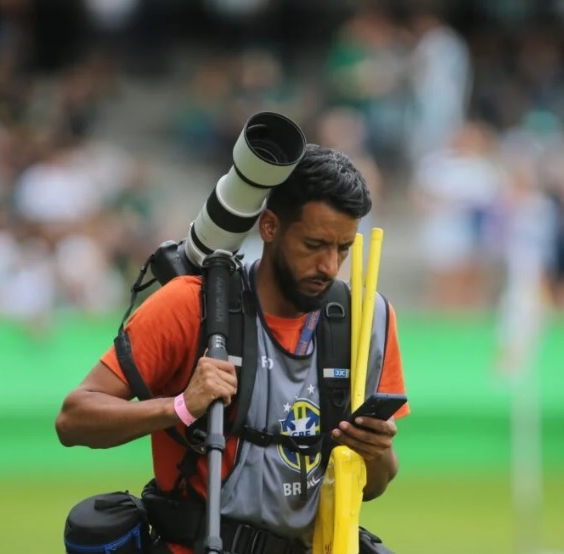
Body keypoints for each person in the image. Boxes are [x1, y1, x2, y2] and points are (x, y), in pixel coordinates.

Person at [55, 145, 410, 554]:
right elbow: (74, 418)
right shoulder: (190, 305)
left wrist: (376, 451)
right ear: (270, 226)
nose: (330, 266)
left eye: (343, 248)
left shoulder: (366, 319)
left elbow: (377, 483)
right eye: (314, 245)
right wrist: (182, 406)